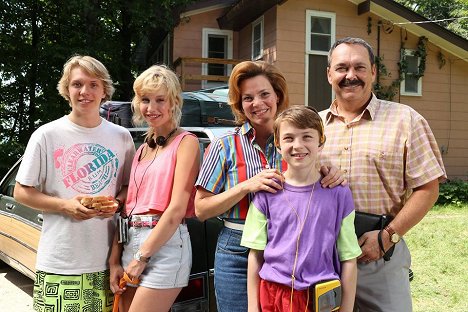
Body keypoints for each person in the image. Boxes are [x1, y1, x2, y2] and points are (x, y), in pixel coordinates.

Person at [195, 60, 345, 312]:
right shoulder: (224, 147)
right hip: (236, 249)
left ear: (277, 95)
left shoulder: (293, 143)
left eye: (264, 94)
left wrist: (332, 172)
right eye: (248, 97)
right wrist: (246, 187)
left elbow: (316, 181)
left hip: (287, 245)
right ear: (240, 103)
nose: (257, 103)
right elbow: (201, 210)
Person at [319, 37, 447, 311]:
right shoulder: (312, 127)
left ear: (373, 72)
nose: (350, 75)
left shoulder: (405, 120)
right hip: (322, 258)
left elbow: (428, 188)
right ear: (329, 73)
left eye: (359, 67)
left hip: (377, 254)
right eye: (341, 67)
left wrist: (388, 236)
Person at [14, 55, 135, 312]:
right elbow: (21, 192)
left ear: (104, 90)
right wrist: (64, 205)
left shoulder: (122, 137)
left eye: (93, 84)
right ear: (66, 90)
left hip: (108, 262)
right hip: (60, 261)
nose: (85, 92)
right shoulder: (46, 135)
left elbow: (128, 188)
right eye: (77, 84)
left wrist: (116, 202)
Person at [241, 105, 361, 312]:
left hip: (321, 296)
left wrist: (347, 309)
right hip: (274, 294)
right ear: (278, 146)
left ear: (320, 143)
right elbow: (255, 254)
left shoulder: (338, 193)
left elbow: (348, 257)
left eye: (307, 137)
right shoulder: (266, 192)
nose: (298, 145)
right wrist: (253, 308)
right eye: (289, 138)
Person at [108, 65, 200, 312]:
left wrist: (142, 257)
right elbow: (127, 209)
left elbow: (176, 209)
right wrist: (114, 260)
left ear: (174, 102)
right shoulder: (141, 149)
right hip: (131, 241)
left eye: (160, 100)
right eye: (145, 99)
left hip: (165, 247)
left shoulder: (186, 143)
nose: (151, 108)